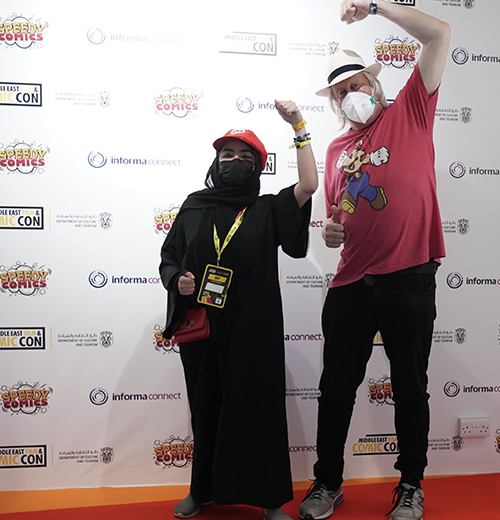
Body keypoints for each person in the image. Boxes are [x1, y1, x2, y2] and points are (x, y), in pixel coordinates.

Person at [299, 2, 450, 520]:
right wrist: (331, 231)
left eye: (357, 84)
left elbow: (439, 34)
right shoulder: (336, 149)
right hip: (350, 283)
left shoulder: (410, 110)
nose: (351, 95)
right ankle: (327, 482)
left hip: (409, 274)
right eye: (341, 92)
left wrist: (375, 7)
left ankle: (410, 485)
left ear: (375, 84)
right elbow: (336, 221)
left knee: (410, 386)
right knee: (336, 388)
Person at [159, 101, 318, 520]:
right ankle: (202, 491)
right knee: (206, 408)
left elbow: (308, 185)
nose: (234, 161)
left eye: (245, 157)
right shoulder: (194, 206)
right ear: (216, 162)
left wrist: (298, 126)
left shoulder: (267, 208)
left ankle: (270, 499)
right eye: (227, 154)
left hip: (254, 328)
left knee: (258, 409)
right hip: (203, 327)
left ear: (258, 167)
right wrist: (178, 280)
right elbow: (169, 257)